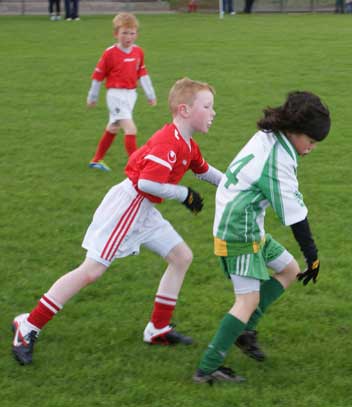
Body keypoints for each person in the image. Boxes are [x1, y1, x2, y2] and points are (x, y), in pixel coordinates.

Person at [11, 77, 224, 366]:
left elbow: (204, 171)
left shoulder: (186, 143)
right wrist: (183, 194)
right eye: (208, 106)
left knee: (181, 256)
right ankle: (28, 326)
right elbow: (149, 183)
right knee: (91, 271)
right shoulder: (168, 142)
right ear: (184, 110)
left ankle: (157, 328)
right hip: (128, 206)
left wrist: (237, 185)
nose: (213, 113)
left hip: (144, 208)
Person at [193, 91, 331, 384]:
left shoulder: (271, 134)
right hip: (237, 232)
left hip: (247, 224)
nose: (311, 148)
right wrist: (313, 254)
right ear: (296, 131)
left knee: (289, 269)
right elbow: (295, 216)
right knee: (247, 299)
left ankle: (245, 331)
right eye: (311, 141)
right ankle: (207, 369)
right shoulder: (277, 161)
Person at [87, 13, 157, 172]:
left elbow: (143, 74)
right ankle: (137, 167)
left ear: (136, 34)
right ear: (116, 34)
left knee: (113, 128)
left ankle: (96, 160)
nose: (128, 37)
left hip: (130, 95)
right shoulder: (109, 53)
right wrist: (92, 96)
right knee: (130, 129)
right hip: (115, 95)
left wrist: (150, 94)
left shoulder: (138, 52)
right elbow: (98, 76)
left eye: (132, 33)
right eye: (124, 33)